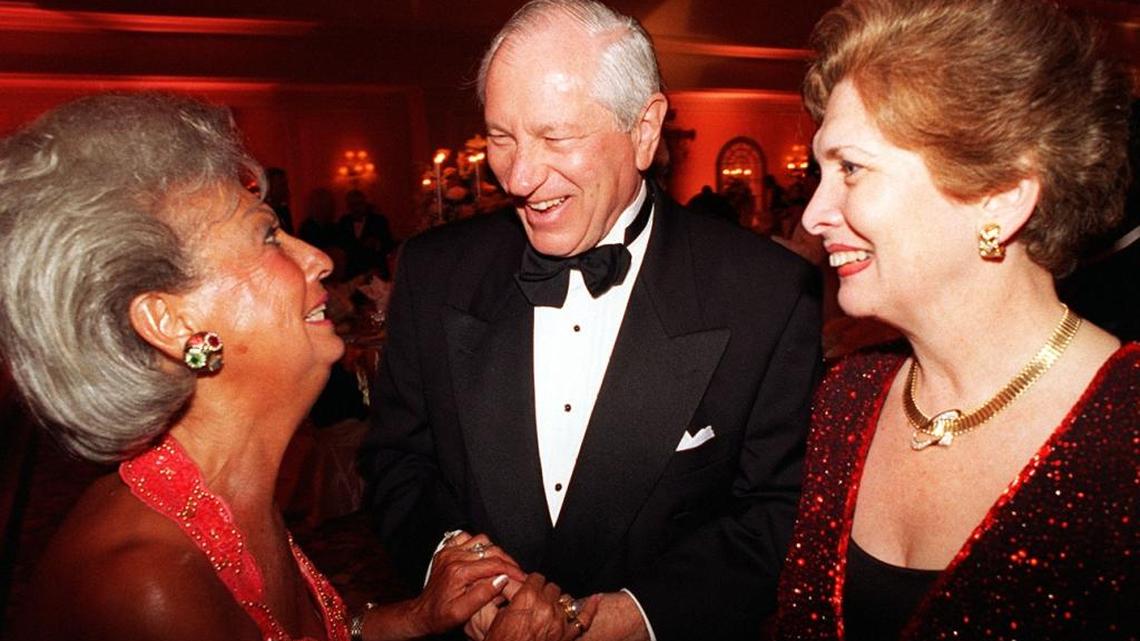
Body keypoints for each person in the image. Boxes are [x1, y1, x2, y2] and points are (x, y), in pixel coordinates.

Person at [0, 93, 595, 641]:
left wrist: (413, 617)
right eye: (266, 237)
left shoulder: (216, 491)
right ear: (171, 323)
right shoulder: (149, 589)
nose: (317, 259)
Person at [360, 2, 822, 640]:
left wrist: (626, 618)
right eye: (501, 137)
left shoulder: (765, 293)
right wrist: (455, 570)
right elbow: (397, 460)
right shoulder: (436, 273)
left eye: (555, 137)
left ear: (644, 129)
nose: (519, 177)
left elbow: (777, 512)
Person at [775, 0, 1138, 639]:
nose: (812, 216)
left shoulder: (1126, 433)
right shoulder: (847, 400)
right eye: (819, 172)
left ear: (999, 194)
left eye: (852, 169)